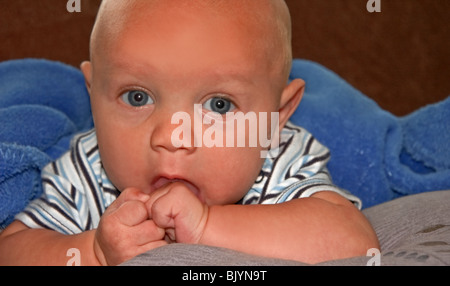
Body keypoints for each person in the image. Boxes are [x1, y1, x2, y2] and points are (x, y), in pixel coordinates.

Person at [0, 0, 379, 265]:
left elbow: (353, 243)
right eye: (137, 96)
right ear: (93, 96)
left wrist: (206, 226)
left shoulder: (276, 157)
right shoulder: (89, 166)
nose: (171, 135)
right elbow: (11, 251)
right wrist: (94, 252)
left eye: (219, 105)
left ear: (276, 116)